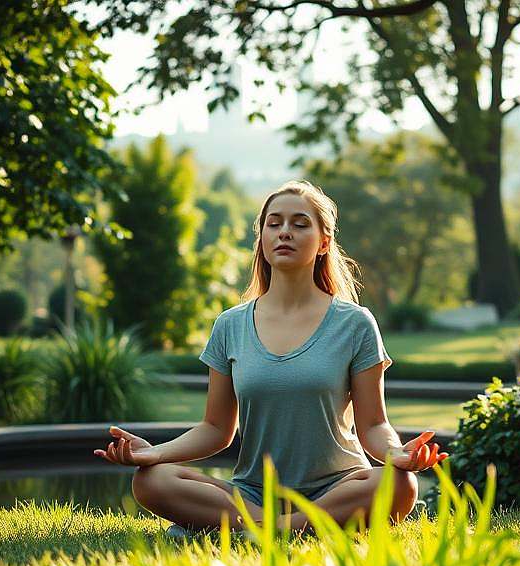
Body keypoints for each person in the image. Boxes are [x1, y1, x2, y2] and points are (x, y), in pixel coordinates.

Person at [94, 180, 447, 532]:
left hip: (339, 488)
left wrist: (396, 454)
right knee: (150, 481)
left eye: (300, 223)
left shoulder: (355, 323)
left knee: (400, 485)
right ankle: (293, 526)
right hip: (252, 493)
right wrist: (156, 453)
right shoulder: (230, 325)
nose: (285, 232)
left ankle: (258, 528)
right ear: (261, 238)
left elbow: (373, 425)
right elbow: (216, 428)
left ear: (324, 242)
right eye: (274, 223)